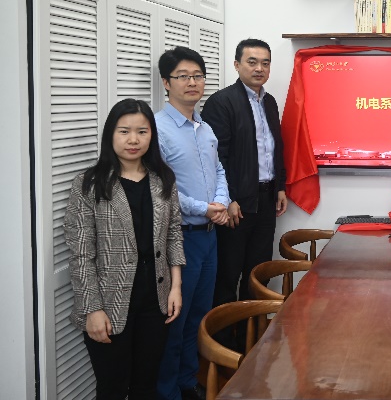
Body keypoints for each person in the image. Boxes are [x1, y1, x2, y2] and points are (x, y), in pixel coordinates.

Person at [64, 99, 184, 400]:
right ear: (111, 135)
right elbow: (81, 254)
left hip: (155, 302)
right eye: (124, 131)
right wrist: (92, 309)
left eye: (142, 131)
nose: (134, 140)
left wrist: (175, 287)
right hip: (108, 304)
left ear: (151, 135)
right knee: (112, 389)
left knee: (146, 386)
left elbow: (173, 234)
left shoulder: (163, 180)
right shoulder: (89, 184)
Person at [155, 46, 230, 400]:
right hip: (180, 238)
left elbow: (219, 169)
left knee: (199, 314)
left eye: (197, 76)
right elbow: (161, 187)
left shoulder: (204, 127)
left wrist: (222, 202)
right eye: (183, 76)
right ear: (166, 83)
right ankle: (168, 391)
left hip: (209, 236)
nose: (192, 82)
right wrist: (206, 208)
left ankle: (187, 382)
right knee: (176, 318)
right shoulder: (158, 129)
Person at [201, 39, 288, 323]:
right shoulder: (221, 102)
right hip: (237, 203)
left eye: (265, 63)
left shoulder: (269, 102)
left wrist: (280, 187)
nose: (259, 68)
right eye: (252, 62)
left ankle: (253, 336)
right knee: (228, 275)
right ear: (237, 65)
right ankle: (225, 340)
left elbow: (275, 148)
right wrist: (229, 198)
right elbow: (217, 157)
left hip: (266, 199)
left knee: (257, 272)